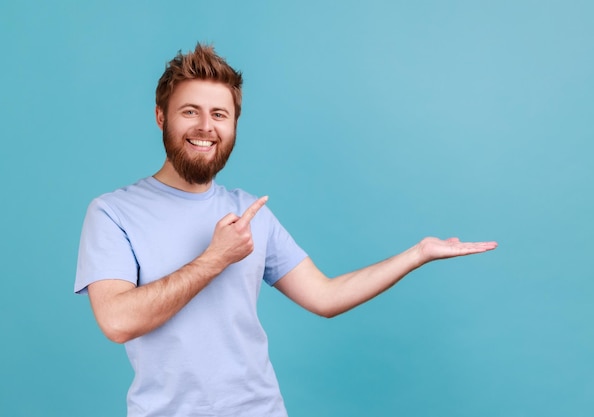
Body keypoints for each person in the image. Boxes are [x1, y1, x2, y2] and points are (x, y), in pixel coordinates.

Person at [75, 43, 497, 417]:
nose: (206, 127)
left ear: (233, 125)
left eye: (219, 114)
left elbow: (325, 296)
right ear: (160, 116)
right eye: (191, 111)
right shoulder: (113, 212)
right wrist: (214, 258)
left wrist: (416, 254)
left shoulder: (248, 211)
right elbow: (117, 321)